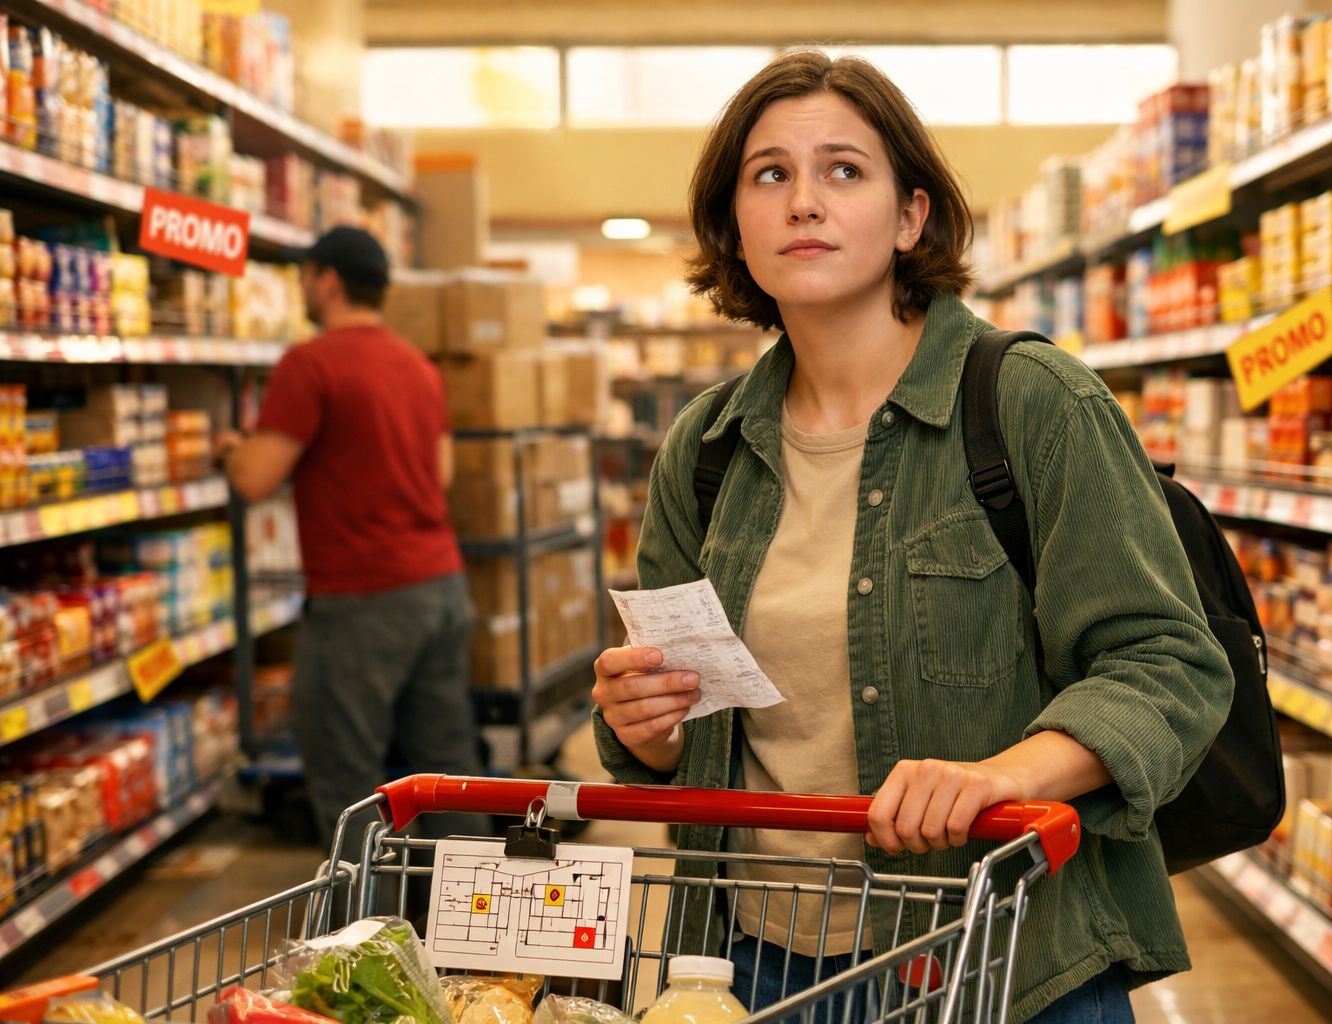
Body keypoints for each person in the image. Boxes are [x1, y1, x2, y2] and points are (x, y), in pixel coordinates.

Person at [590, 51, 1235, 1022]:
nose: (804, 200)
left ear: (910, 217)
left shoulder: (1031, 403)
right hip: (749, 967)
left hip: (1000, 959)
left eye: (843, 169)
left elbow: (1170, 664)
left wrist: (999, 776)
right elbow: (675, 724)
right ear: (736, 227)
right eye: (770, 174)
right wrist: (643, 726)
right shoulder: (707, 447)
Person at [218, 226, 490, 858]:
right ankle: (477, 934)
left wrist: (232, 450)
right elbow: (441, 473)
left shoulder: (310, 364)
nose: (303, 290)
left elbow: (257, 477)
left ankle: (368, 942)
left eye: (306, 277)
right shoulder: (417, 367)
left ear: (329, 281)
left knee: (349, 785)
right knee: (447, 769)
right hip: (441, 591)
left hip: (362, 600)